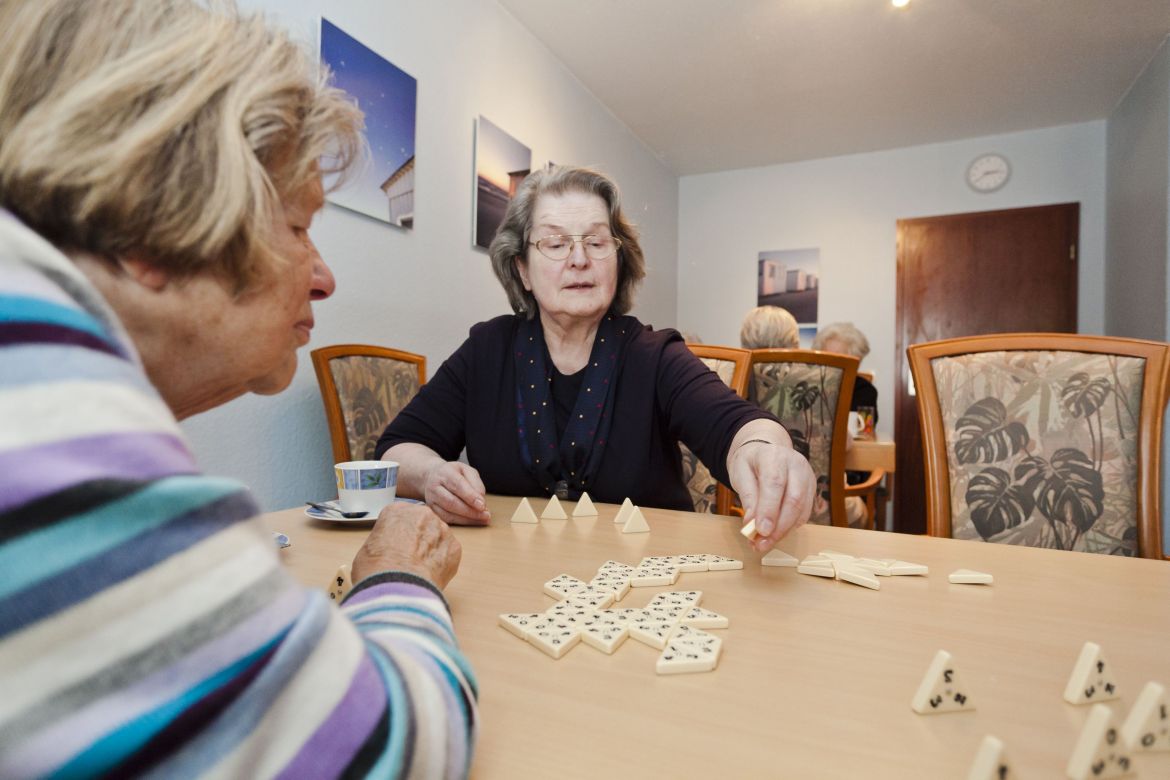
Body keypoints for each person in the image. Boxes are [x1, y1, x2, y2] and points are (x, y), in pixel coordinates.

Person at [0, 2, 475, 777]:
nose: (324, 276)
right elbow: (389, 748)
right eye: (298, 226)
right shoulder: (39, 397)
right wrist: (401, 575)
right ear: (148, 217)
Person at [377, 166, 814, 551]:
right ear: (523, 269)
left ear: (618, 263)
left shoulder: (654, 354)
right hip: (511, 581)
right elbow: (396, 450)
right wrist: (432, 474)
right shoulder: (486, 349)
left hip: (644, 588)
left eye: (597, 242)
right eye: (554, 243)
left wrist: (763, 451)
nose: (580, 259)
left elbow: (735, 426)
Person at [813, 322, 879, 427]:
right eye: (827, 357)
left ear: (855, 362)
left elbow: (865, 430)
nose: (831, 365)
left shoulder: (865, 390)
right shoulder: (809, 388)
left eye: (839, 359)